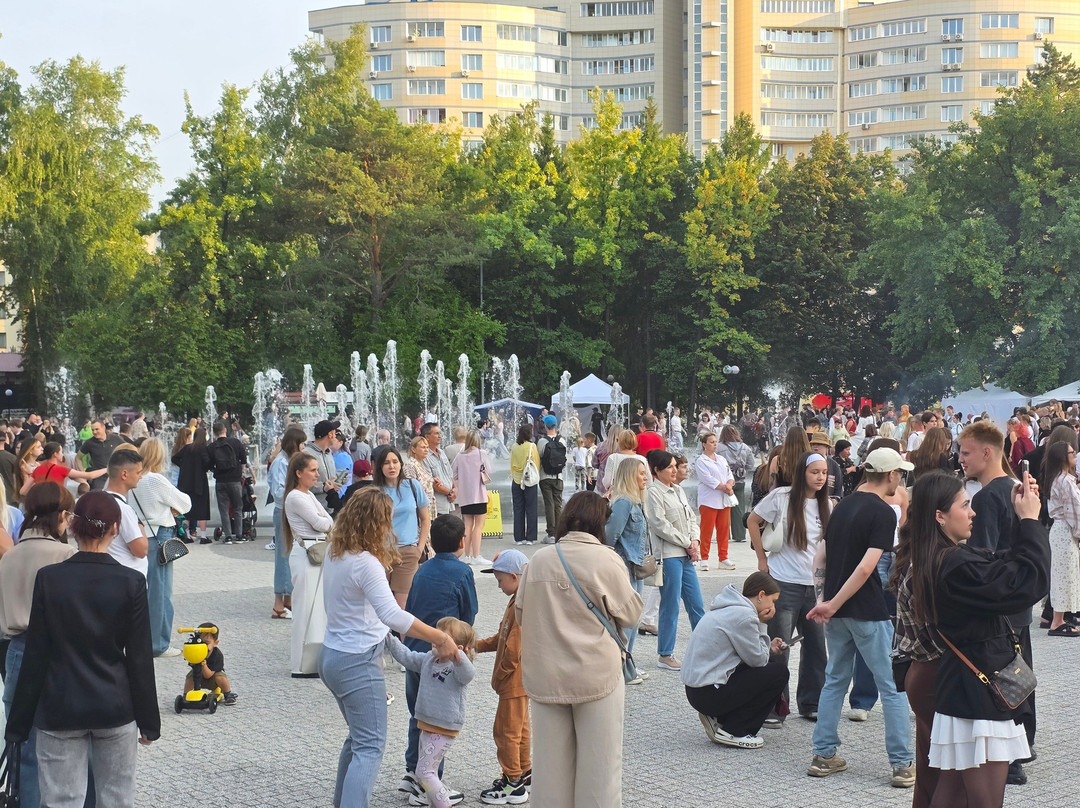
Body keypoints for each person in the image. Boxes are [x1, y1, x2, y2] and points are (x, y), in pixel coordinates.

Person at [5, 491, 159, 808]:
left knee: (61, 800)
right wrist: (149, 721)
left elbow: (37, 652)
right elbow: (140, 657)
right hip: (114, 704)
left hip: (60, 704)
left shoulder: (50, 579)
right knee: (116, 799)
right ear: (115, 528)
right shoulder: (131, 582)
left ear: (73, 526)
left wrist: (19, 723)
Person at [906, 471, 1048, 808]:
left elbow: (1007, 563)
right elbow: (1027, 582)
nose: (972, 513)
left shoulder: (941, 558)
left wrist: (1023, 517)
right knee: (981, 800)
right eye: (964, 505)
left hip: (966, 686)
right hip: (977, 693)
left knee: (953, 792)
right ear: (940, 516)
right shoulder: (954, 564)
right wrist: (1029, 520)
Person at [317, 487, 458, 808]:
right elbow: (393, 615)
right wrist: (440, 637)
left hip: (332, 655)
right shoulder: (365, 563)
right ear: (375, 522)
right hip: (356, 661)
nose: (390, 527)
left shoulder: (336, 552)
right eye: (387, 520)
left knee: (358, 739)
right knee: (370, 746)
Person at [516, 492, 642, 808]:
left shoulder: (539, 559)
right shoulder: (606, 559)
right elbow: (631, 614)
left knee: (549, 770)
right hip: (597, 674)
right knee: (600, 769)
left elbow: (521, 614)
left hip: (546, 675)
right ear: (600, 523)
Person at [806, 447, 915, 788]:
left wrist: (824, 600)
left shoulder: (842, 506)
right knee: (892, 686)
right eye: (900, 474)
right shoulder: (883, 511)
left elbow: (819, 557)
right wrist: (832, 603)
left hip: (836, 611)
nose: (901, 480)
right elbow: (868, 567)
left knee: (835, 681)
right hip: (866, 610)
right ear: (891, 475)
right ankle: (902, 764)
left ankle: (824, 755)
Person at [958, 421, 1036, 785]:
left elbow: (982, 556)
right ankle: (1024, 746)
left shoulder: (987, 497)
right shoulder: (1018, 489)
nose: (961, 459)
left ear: (987, 452)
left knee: (1003, 679)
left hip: (1000, 604)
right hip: (1019, 599)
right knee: (1020, 675)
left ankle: (1012, 759)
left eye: (966, 452)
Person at [0, 481, 77, 808]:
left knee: (25, 744)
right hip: (58, 651)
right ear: (60, 515)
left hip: (17, 650)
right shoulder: (66, 555)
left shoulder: (10, 556)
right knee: (69, 743)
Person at [398, 515, 477, 805]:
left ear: (430, 541)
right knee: (436, 720)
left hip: (417, 651)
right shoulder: (462, 572)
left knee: (418, 714)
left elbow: (411, 607)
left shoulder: (422, 570)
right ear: (462, 542)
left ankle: (413, 772)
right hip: (443, 657)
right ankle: (429, 783)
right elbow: (468, 614)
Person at [748, 450, 832, 726]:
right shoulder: (782, 497)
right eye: (814, 472)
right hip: (783, 583)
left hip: (814, 586)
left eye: (824, 472)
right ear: (801, 473)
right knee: (779, 646)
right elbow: (752, 520)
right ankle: (775, 706)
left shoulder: (827, 504)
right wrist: (761, 558)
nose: (820, 477)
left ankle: (812, 703)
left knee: (816, 648)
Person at [683, 571, 790, 749]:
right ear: (761, 595)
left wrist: (768, 647)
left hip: (698, 689)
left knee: (770, 666)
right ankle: (735, 731)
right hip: (708, 694)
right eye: (773, 600)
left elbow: (749, 653)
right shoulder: (745, 616)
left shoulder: (730, 606)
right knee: (779, 673)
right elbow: (758, 661)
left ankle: (721, 718)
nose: (773, 607)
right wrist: (762, 624)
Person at [387, 619, 476, 808]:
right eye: (436, 634)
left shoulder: (457, 666)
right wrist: (388, 637)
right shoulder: (428, 659)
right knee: (429, 772)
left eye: (442, 638)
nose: (435, 640)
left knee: (424, 773)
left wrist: (458, 655)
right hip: (427, 725)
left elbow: (469, 674)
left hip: (443, 727)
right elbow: (407, 657)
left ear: (456, 647)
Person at [477, 550, 532, 805]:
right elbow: (501, 638)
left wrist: (500, 674)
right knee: (520, 729)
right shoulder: (518, 599)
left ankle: (513, 783)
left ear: (514, 576)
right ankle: (524, 772)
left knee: (505, 732)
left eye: (500, 580)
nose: (498, 586)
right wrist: (476, 646)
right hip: (520, 682)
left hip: (513, 682)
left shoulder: (522, 605)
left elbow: (512, 651)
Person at [132, 438, 192, 657]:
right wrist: (170, 508)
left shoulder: (135, 480)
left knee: (147, 590)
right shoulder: (155, 479)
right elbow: (185, 503)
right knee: (161, 592)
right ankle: (158, 643)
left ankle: (143, 640)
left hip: (139, 535)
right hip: (160, 536)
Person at [646, 449, 705, 672]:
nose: (674, 470)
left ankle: (706, 648)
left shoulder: (678, 490)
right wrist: (687, 542)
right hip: (669, 555)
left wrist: (695, 540)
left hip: (686, 554)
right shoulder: (653, 493)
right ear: (657, 470)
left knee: (696, 603)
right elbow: (659, 524)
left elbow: (691, 518)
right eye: (669, 467)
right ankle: (665, 654)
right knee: (670, 605)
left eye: (674, 466)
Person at [284, 452, 334, 677]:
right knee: (305, 609)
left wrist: (325, 522)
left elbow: (327, 520)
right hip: (307, 552)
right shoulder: (296, 497)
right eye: (312, 470)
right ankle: (300, 664)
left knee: (318, 611)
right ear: (299, 473)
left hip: (317, 551)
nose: (317, 474)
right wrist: (324, 522)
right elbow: (322, 523)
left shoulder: (308, 495)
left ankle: (314, 661)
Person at [373, 445, 431, 606]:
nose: (391, 466)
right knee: (380, 603)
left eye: (395, 462)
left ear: (401, 464)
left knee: (403, 605)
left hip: (408, 551)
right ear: (379, 467)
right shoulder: (375, 491)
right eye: (386, 463)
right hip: (381, 552)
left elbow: (425, 519)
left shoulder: (412, 486)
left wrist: (419, 548)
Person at [606, 459, 651, 656]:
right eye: (641, 473)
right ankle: (622, 663)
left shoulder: (635, 502)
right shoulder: (624, 503)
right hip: (625, 567)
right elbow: (610, 536)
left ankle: (628, 662)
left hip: (635, 567)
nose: (645, 477)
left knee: (633, 618)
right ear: (629, 476)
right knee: (626, 620)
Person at [1043, 441, 1080, 636]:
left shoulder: (1060, 478)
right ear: (1062, 457)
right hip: (1065, 530)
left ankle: (1060, 618)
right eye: (1071, 452)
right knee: (1064, 575)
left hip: (1062, 529)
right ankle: (1057, 621)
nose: (1075, 454)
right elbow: (1074, 511)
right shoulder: (1065, 481)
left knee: (1065, 574)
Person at [268, 427, 306, 619]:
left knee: (292, 555)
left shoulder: (289, 461)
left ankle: (288, 599)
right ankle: (278, 604)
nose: (304, 447)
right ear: (294, 444)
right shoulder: (280, 463)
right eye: (302, 444)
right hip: (283, 511)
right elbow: (277, 492)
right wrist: (296, 495)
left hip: (291, 511)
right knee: (283, 556)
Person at [696, 432, 737, 572]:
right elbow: (707, 479)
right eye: (712, 442)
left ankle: (723, 557)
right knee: (706, 530)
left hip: (723, 499)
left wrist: (729, 484)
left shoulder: (721, 459)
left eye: (715, 441)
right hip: (709, 499)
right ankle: (704, 557)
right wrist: (724, 487)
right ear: (704, 444)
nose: (715, 444)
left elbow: (729, 474)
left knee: (724, 529)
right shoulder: (701, 461)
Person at [208, 420, 248, 544]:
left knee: (223, 510)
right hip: (235, 480)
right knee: (238, 508)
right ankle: (239, 535)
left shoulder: (212, 447)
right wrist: (239, 471)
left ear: (214, 433)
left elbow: (209, 464)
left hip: (220, 481)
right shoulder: (235, 442)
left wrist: (216, 470)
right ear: (225, 430)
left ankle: (228, 536)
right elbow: (243, 460)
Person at [183, 622, 238, 706]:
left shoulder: (217, 655)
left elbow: (208, 675)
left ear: (215, 643)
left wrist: (204, 665)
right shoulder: (196, 652)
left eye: (206, 643)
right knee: (190, 676)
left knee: (220, 676)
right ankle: (186, 695)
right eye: (200, 642)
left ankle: (228, 694)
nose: (203, 646)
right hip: (198, 678)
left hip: (212, 679)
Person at [174, 426, 212, 542]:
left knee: (186, 509)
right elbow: (207, 462)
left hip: (185, 482)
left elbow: (174, 459)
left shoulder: (187, 448)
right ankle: (203, 536)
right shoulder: (203, 449)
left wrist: (184, 466)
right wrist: (204, 468)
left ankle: (187, 535)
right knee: (202, 508)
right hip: (199, 482)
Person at [718, 425, 754, 544]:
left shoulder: (719, 447)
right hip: (740, 481)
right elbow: (750, 465)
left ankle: (724, 535)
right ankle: (740, 535)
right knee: (739, 508)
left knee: (723, 508)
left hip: (725, 482)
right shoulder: (745, 447)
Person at [537, 415, 567, 543]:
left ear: (545, 426)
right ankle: (559, 532)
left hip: (545, 477)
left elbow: (539, 457)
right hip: (559, 477)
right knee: (558, 504)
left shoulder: (542, 442)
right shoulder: (562, 441)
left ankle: (551, 533)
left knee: (549, 504)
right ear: (555, 425)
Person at [509, 424, 540, 546]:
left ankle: (518, 537)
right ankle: (530, 537)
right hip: (528, 479)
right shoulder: (532, 446)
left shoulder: (514, 446)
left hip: (516, 480)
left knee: (518, 508)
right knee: (531, 508)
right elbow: (536, 463)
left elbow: (511, 463)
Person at [303, 420, 344, 512]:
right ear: (330, 435)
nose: (336, 436)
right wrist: (323, 487)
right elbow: (302, 483)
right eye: (335, 433)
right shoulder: (306, 454)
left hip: (330, 507)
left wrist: (337, 481)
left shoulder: (328, 453)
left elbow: (329, 477)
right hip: (315, 509)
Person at [30, 441, 107, 487]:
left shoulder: (37, 468)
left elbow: (24, 491)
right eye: (61, 452)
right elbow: (90, 475)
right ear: (55, 454)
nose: (62, 454)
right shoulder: (62, 470)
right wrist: (107, 469)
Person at [421, 423, 457, 516]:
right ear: (427, 437)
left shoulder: (442, 453)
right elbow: (431, 483)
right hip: (437, 506)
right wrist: (450, 493)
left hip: (449, 504)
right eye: (436, 433)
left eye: (440, 433)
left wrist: (455, 489)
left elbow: (450, 475)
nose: (440, 436)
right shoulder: (424, 456)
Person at [81, 418, 124, 490]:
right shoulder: (89, 443)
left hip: (115, 475)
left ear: (103, 428)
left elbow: (129, 449)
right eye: (92, 430)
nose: (94, 432)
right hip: (98, 478)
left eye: (97, 429)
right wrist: (83, 473)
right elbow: (78, 457)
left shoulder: (115, 438)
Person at [403, 436, 437, 522]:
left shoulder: (420, 464)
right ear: (413, 449)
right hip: (419, 510)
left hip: (427, 508)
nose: (426, 450)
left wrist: (433, 481)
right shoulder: (410, 465)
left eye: (427, 447)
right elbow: (411, 488)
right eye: (423, 447)